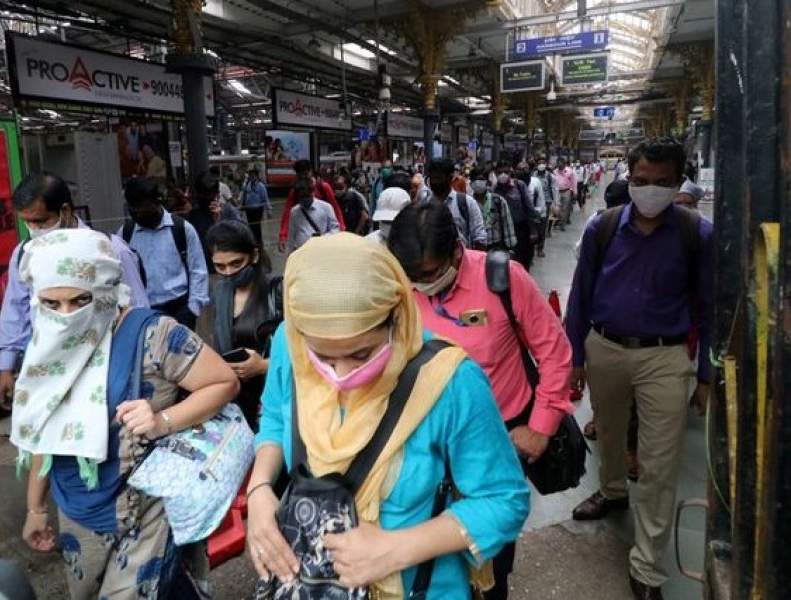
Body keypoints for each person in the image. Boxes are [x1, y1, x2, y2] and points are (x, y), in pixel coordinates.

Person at [245, 233, 529, 599]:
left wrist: (394, 550)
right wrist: (260, 488)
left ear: (396, 317)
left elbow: (504, 499)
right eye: (324, 359)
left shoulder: (450, 381)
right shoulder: (291, 344)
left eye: (361, 355)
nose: (342, 375)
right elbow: (276, 416)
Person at [13, 229, 239, 599]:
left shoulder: (154, 334)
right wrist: (35, 508)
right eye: (52, 303)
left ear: (106, 290)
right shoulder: (47, 339)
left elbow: (223, 383)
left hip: (145, 509)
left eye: (81, 300)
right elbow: (44, 427)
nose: (66, 315)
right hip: (76, 510)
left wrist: (162, 420)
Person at [388, 202, 573, 600]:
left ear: (456, 251)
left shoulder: (502, 278)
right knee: (427, 550)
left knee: (489, 555)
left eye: (429, 274)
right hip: (423, 442)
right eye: (411, 276)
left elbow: (555, 352)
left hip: (498, 444)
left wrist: (540, 427)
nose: (420, 284)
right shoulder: (396, 287)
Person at [566, 137, 714, 600]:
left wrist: (706, 376)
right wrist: (574, 358)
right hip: (605, 347)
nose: (650, 190)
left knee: (659, 461)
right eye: (641, 181)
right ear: (629, 180)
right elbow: (580, 295)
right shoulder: (604, 228)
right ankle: (611, 492)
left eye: (662, 183)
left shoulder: (696, 233)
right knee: (608, 432)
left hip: (665, 357)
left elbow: (710, 308)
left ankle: (647, 566)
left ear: (678, 183)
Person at [0, 172, 148, 410]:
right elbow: (15, 309)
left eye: (41, 222)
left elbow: (138, 311)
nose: (34, 229)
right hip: (48, 371)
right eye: (27, 222)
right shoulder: (24, 254)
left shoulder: (110, 251)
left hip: (105, 369)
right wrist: (7, 366)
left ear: (65, 211)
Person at [206, 221, 283, 430]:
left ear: (254, 256)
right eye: (220, 267)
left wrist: (263, 366)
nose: (228, 272)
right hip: (236, 398)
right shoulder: (221, 293)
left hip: (274, 397)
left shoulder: (278, 292)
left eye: (236, 263)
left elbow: (306, 353)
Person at [117, 177, 209, 331]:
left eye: (145, 212)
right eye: (135, 212)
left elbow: (198, 269)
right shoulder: (125, 234)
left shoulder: (181, 229)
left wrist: (192, 309)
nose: (140, 217)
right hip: (143, 313)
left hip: (179, 309)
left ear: (157, 203)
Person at [278, 160, 345, 252]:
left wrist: (341, 228)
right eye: (300, 175)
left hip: (324, 238)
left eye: (305, 174)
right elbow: (287, 215)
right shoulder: (295, 192)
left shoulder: (323, 187)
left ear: (311, 172)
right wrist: (283, 236)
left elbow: (335, 209)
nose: (303, 177)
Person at [186, 172, 243, 274]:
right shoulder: (192, 214)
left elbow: (240, 235)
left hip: (225, 270)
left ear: (217, 194)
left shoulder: (228, 212)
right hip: (202, 270)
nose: (208, 199)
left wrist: (218, 219)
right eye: (203, 195)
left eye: (211, 195)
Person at [425, 157, 487, 251]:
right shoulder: (424, 203)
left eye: (438, 178)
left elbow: (480, 238)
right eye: (432, 178)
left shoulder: (466, 203)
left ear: (450, 177)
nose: (434, 182)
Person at [493, 163, 537, 272]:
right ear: (495, 174)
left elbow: (530, 208)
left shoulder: (519, 186)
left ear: (510, 173)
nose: (503, 175)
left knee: (522, 260)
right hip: (503, 232)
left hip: (521, 229)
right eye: (499, 172)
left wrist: (533, 230)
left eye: (506, 172)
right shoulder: (494, 189)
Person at [286, 178, 340, 253]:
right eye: (302, 197)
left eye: (307, 196)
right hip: (301, 252)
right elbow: (292, 235)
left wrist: (323, 237)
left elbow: (335, 229)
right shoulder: (294, 211)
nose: (305, 199)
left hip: (321, 251)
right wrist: (290, 253)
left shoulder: (326, 207)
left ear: (312, 192)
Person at [472, 178, 516, 253]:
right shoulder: (469, 202)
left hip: (496, 244)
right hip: (477, 246)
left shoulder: (498, 200)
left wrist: (510, 247)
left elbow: (507, 223)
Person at [240, 168, 272, 246]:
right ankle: (253, 242)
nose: (252, 177)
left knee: (257, 227)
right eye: (250, 175)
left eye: (253, 175)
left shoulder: (261, 186)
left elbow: (265, 198)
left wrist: (269, 210)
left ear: (257, 176)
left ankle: (259, 243)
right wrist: (241, 206)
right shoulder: (247, 185)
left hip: (257, 210)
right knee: (251, 226)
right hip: (248, 209)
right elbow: (244, 195)